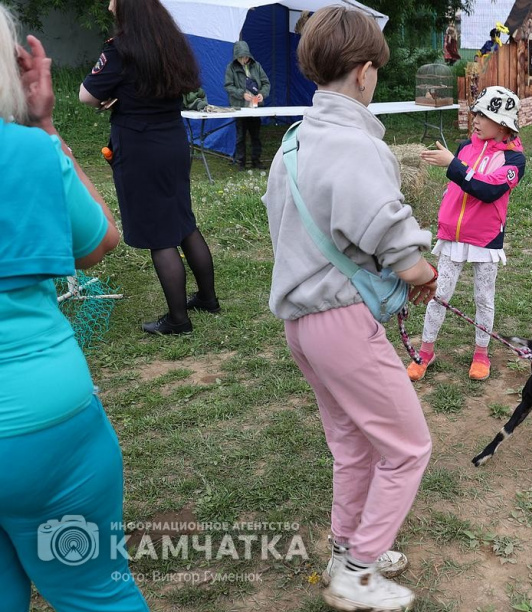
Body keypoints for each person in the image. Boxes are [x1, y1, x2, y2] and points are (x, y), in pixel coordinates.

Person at [261, 6, 438, 611]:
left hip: (301, 323)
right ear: (365, 73)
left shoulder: (294, 143)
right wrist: (420, 269)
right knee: (408, 447)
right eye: (377, 72)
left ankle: (348, 547)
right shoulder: (354, 144)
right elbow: (393, 236)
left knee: (354, 443)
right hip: (341, 322)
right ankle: (357, 572)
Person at [0, 9, 148, 610]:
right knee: (96, 594)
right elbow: (98, 243)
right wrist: (45, 127)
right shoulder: (29, 153)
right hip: (44, 419)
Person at [80, 0, 220, 335]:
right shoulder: (170, 41)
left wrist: (112, 96)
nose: (110, 5)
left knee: (159, 234)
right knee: (183, 221)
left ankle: (178, 319)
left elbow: (87, 95)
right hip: (173, 139)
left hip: (140, 146)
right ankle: (207, 299)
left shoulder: (121, 49)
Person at [407, 85, 526, 383]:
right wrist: (456, 163)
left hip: (485, 241)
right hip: (452, 237)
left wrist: (454, 165)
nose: (475, 118)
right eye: (475, 112)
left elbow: (488, 190)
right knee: (439, 293)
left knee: (484, 298)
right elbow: (460, 182)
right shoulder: (463, 147)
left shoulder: (514, 160)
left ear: (502, 124)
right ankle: (426, 350)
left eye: (483, 114)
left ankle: (481, 353)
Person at [224, 41, 271, 170]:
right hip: (240, 107)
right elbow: (228, 86)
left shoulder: (257, 66)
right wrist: (241, 94)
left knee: (256, 135)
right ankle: (241, 162)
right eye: (241, 57)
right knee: (240, 136)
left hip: (255, 107)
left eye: (246, 56)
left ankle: (256, 161)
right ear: (236, 56)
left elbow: (266, 83)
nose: (244, 59)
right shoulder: (231, 68)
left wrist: (262, 94)